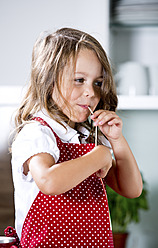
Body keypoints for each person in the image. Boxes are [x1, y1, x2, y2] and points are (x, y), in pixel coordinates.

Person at [11, 27, 142, 247]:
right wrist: (99, 156)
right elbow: (49, 181)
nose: (91, 92)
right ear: (49, 80)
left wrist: (116, 141)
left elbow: (131, 189)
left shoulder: (88, 138)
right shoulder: (37, 133)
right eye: (79, 80)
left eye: (98, 83)